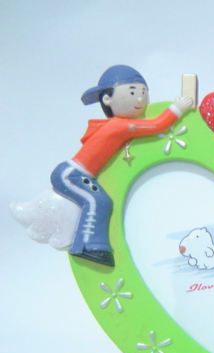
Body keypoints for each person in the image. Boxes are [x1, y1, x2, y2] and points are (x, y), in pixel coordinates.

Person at [51, 65, 193, 266]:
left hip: (76, 174)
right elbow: (157, 125)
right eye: (133, 92)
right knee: (98, 202)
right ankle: (86, 246)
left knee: (99, 201)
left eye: (143, 93)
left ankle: (89, 245)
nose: (140, 99)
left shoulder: (119, 125)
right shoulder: (120, 125)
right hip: (72, 174)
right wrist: (178, 108)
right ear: (106, 99)